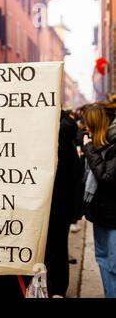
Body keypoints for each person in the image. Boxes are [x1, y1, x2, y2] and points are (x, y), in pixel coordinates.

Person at [44, 110, 80, 297]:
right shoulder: (66, 132)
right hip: (61, 202)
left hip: (48, 201)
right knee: (58, 247)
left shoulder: (51, 133)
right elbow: (76, 174)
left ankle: (51, 287)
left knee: (47, 247)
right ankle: (57, 289)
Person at [82, 102, 116, 298]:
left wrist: (89, 149)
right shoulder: (101, 143)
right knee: (102, 260)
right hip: (101, 213)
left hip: (113, 216)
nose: (86, 129)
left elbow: (106, 177)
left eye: (89, 125)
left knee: (113, 265)